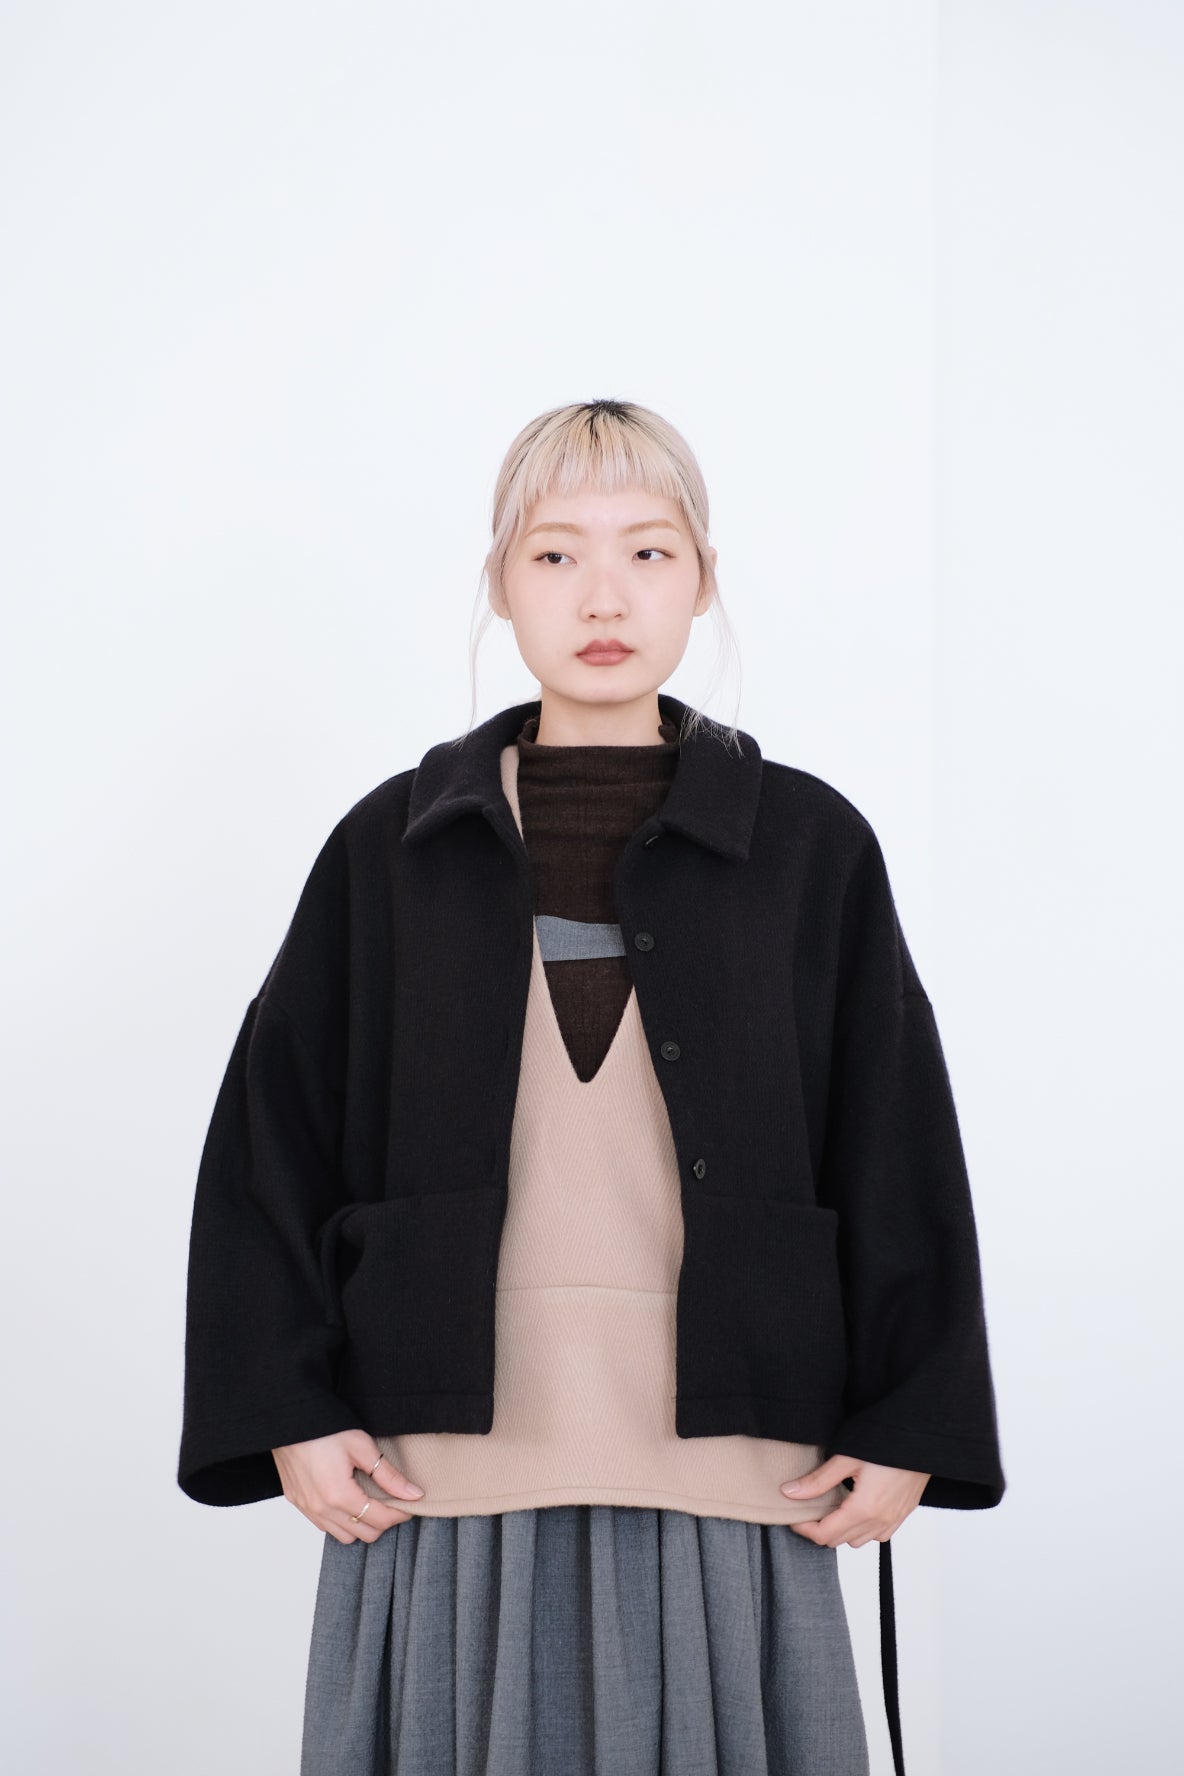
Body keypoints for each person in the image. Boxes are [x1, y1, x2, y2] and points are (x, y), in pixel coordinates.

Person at [178, 399, 1005, 1776]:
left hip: (741, 1465)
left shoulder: (809, 846)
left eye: (648, 552)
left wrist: (912, 1415)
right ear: (500, 582)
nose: (603, 595)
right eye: (555, 554)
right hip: (437, 1469)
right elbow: (271, 1137)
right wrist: (288, 1405)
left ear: (705, 579)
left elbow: (896, 1135)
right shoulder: (391, 847)